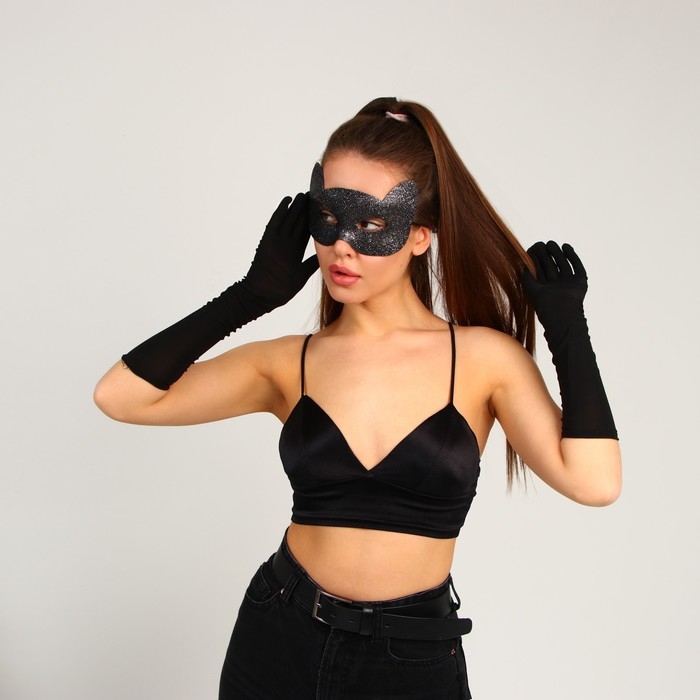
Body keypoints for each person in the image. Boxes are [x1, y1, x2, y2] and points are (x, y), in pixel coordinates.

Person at [94, 97, 621, 699]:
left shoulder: (483, 360)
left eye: (371, 224)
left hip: (411, 658)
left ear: (420, 235)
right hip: (278, 636)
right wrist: (247, 298)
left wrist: (567, 332)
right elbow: (120, 397)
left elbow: (594, 482)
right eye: (328, 217)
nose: (342, 246)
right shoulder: (289, 363)